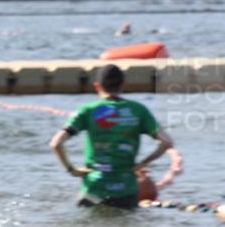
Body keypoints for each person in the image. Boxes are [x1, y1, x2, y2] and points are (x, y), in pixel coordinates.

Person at [49, 64, 175, 209]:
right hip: (126, 189)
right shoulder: (138, 110)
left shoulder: (88, 110)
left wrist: (72, 170)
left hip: (94, 188)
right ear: (123, 85)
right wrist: (143, 163)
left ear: (97, 86)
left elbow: (56, 143)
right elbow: (167, 142)